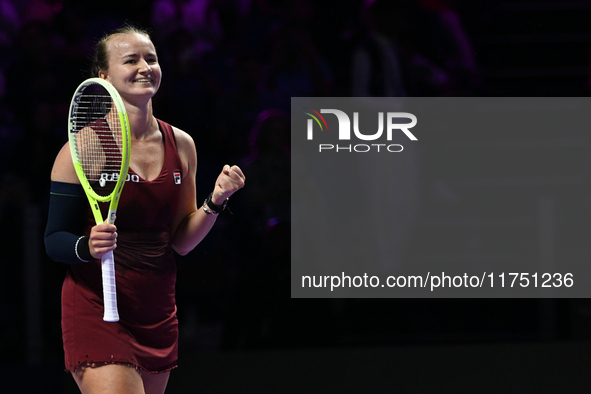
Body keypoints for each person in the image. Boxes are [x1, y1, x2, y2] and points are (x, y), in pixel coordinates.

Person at [44, 24, 245, 394]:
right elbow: (54, 239)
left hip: (156, 308)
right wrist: (85, 246)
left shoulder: (181, 145)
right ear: (103, 76)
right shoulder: (84, 146)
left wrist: (215, 201)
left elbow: (181, 241)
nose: (144, 67)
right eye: (131, 60)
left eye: (151, 58)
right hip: (97, 306)